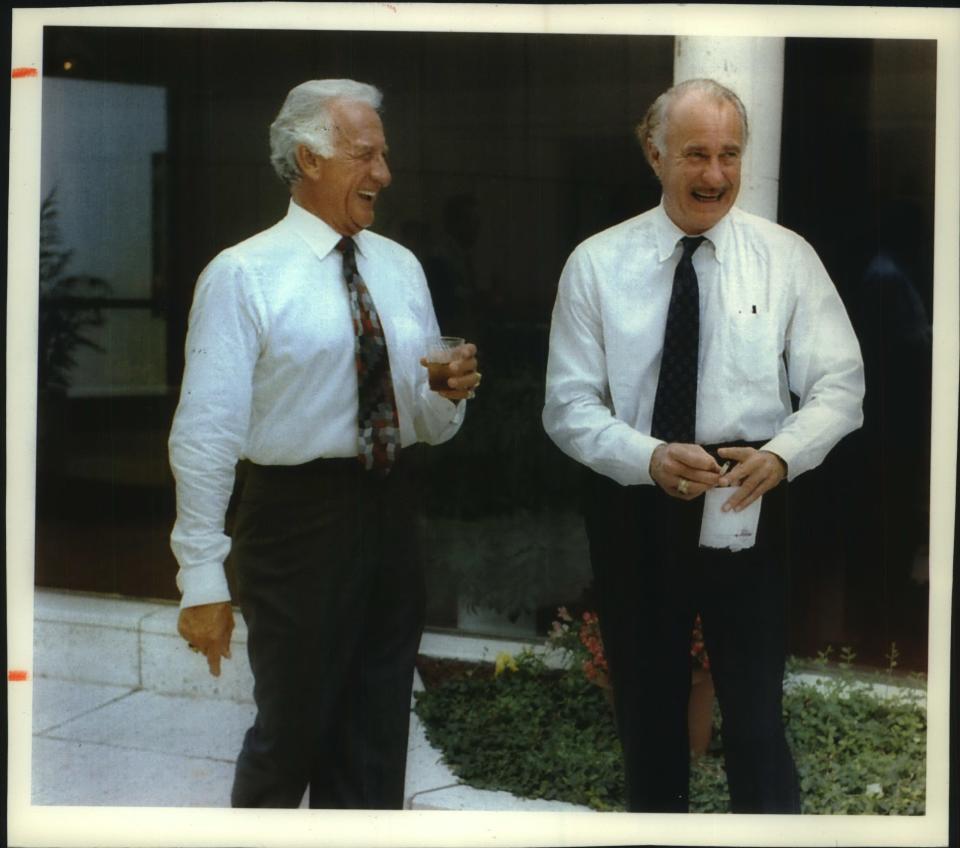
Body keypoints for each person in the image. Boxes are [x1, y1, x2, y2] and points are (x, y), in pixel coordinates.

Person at [542, 78, 864, 813]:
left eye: (729, 154)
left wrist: (782, 454)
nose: (714, 175)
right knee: (648, 719)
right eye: (694, 154)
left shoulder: (786, 258)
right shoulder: (596, 263)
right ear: (653, 153)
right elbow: (566, 405)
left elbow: (840, 386)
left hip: (748, 493)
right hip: (636, 499)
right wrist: (645, 457)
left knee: (754, 718)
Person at [168, 79, 480, 810]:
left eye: (385, 154)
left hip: (391, 513)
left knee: (375, 745)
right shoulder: (242, 275)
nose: (385, 175)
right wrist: (203, 578)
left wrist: (443, 395)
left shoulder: (400, 267)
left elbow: (427, 425)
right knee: (291, 739)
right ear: (309, 159)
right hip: (293, 525)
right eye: (365, 155)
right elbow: (205, 435)